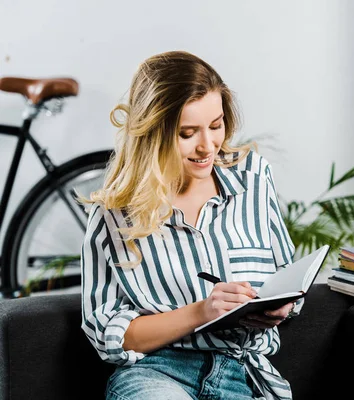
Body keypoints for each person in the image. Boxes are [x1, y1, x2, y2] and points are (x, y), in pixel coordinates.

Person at [81, 50, 298, 400]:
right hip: (158, 373)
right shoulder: (115, 214)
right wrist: (201, 311)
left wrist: (280, 305)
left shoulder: (253, 177)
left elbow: (285, 274)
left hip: (244, 373)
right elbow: (108, 335)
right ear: (153, 132)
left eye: (216, 126)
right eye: (187, 133)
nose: (207, 146)